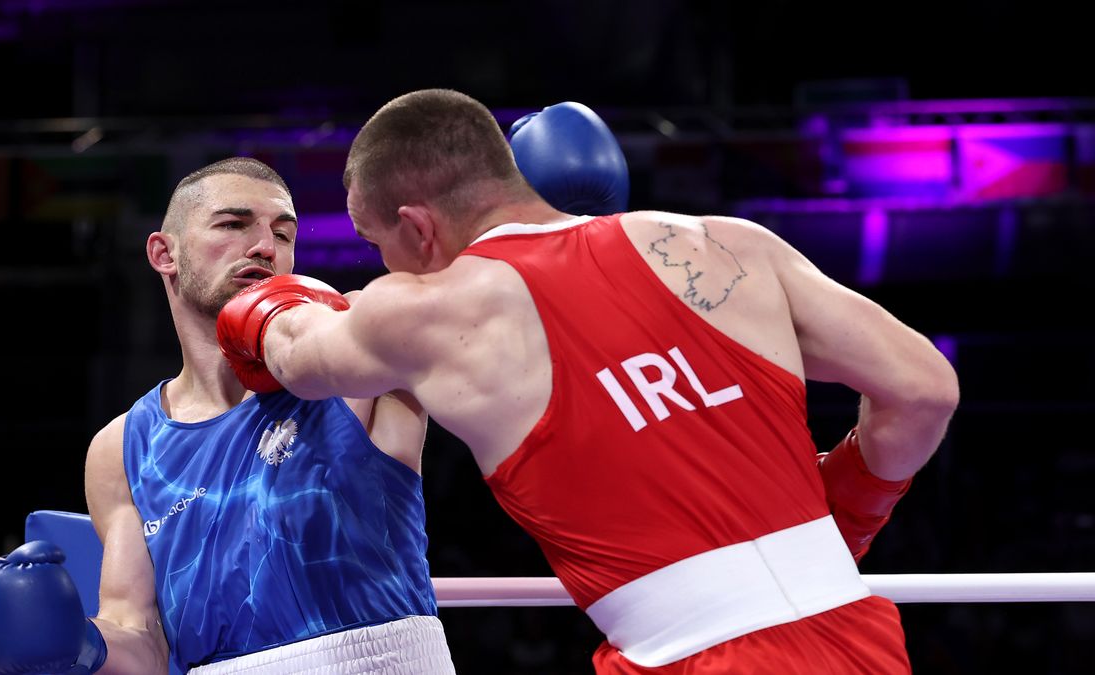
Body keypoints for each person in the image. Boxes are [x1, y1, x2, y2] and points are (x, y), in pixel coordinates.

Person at [216, 90, 960, 673]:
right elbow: (925, 387)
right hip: (859, 634)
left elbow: (295, 357)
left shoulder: (429, 311)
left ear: (417, 226)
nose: (384, 265)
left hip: (685, 657)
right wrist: (850, 509)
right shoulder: (725, 244)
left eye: (376, 243)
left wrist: (262, 308)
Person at [0, 157, 456, 674]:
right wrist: (78, 645)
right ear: (164, 254)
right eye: (233, 224)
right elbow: (139, 636)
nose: (266, 247)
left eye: (283, 233)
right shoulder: (124, 449)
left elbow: (459, 319)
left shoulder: (357, 350)